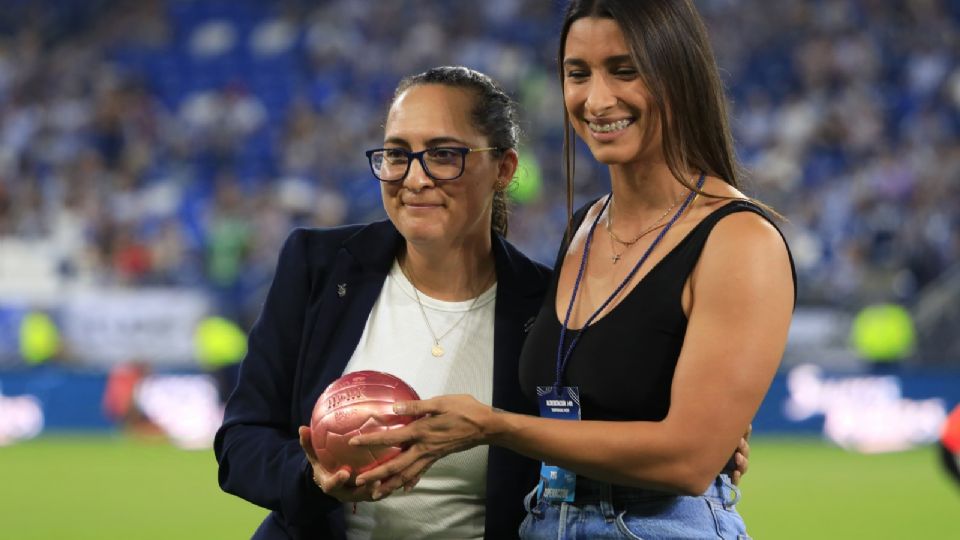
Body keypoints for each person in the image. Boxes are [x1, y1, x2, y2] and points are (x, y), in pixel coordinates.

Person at [215, 65, 749, 539]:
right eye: (397, 155)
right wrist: (315, 480)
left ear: (504, 169)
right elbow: (240, 441)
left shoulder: (549, 305)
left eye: (444, 155)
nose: (415, 178)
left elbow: (604, 427)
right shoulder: (317, 265)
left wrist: (719, 442)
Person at [349, 1, 795, 539]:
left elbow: (690, 462)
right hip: (545, 519)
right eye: (577, 74)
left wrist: (494, 427)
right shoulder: (585, 226)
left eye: (625, 70)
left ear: (679, 75)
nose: (597, 99)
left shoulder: (739, 239)